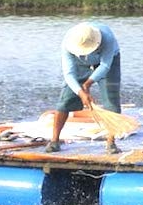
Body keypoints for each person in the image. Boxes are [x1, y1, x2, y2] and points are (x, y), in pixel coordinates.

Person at [46, 22, 122, 154]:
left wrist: (87, 84)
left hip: (106, 62)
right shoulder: (68, 43)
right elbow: (69, 74)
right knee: (65, 100)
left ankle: (111, 142)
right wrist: (81, 92)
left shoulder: (107, 37)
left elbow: (105, 66)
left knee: (111, 101)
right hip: (79, 62)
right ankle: (54, 141)